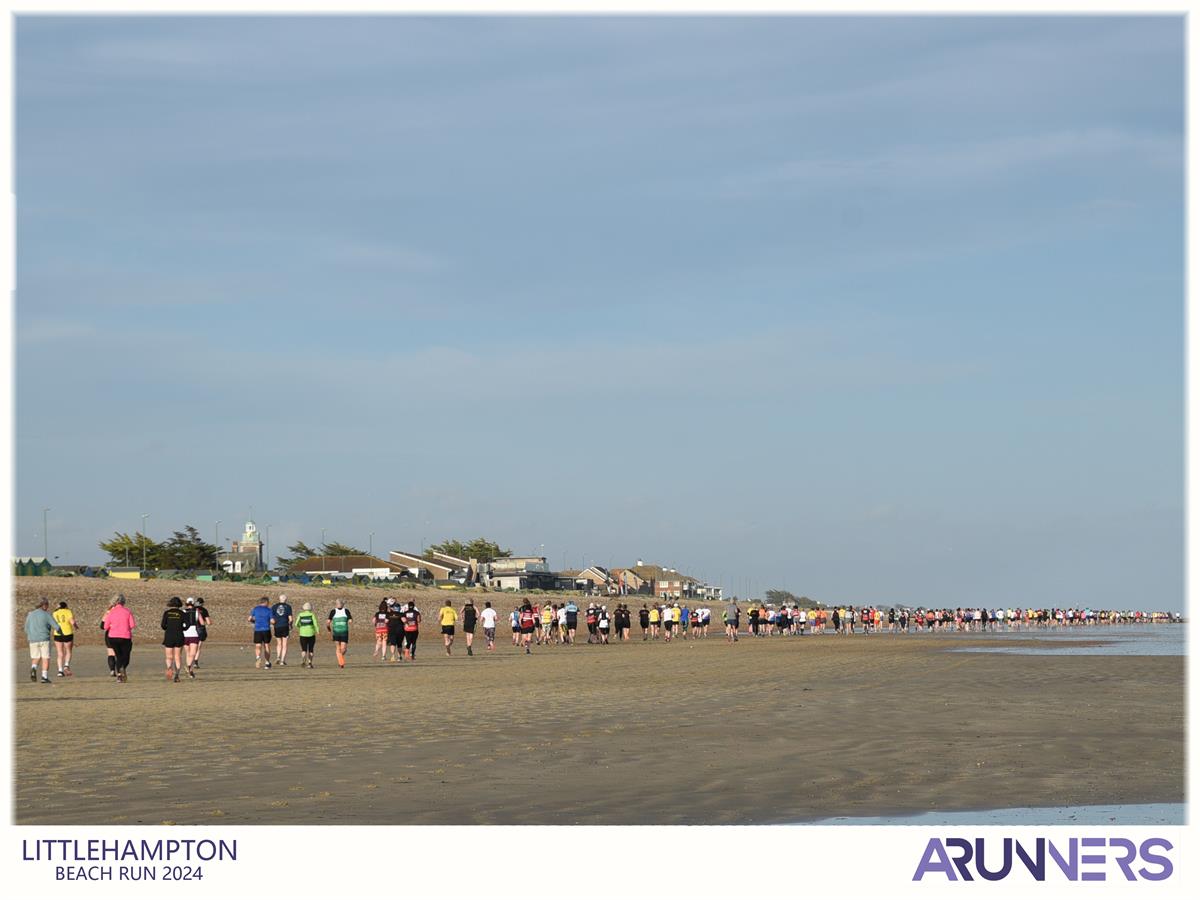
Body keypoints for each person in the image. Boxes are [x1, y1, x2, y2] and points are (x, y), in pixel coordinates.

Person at [102, 595, 136, 682]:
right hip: (125, 636)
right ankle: (122, 668)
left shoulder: (111, 612)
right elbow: (132, 625)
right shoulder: (127, 611)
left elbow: (105, 626)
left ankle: (119, 675)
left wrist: (114, 625)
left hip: (113, 637)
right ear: (124, 602)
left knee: (118, 656)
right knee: (126, 656)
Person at [24, 598, 56, 684]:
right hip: (44, 639)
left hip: (33, 639)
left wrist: (31, 635)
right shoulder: (46, 614)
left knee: (36, 657)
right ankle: (44, 677)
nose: (48, 607)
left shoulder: (30, 615)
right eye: (47, 605)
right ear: (44, 605)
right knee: (45, 657)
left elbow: (26, 629)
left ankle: (33, 668)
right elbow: (56, 626)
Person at [161, 597, 187, 682]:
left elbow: (163, 625)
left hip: (169, 635)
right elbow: (187, 624)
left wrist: (168, 628)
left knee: (169, 656)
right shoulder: (182, 613)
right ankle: (177, 674)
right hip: (179, 635)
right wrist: (183, 629)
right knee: (177, 656)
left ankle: (169, 668)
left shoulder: (167, 613)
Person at [52, 600, 75, 677]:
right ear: (65, 606)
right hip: (67, 633)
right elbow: (72, 622)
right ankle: (66, 665)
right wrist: (75, 626)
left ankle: (60, 671)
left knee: (59, 653)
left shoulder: (55, 613)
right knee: (68, 650)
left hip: (57, 633)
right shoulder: (68, 611)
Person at [249, 597, 274, 669]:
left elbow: (249, 618)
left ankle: (258, 657)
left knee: (258, 645)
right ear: (266, 602)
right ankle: (267, 662)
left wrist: (254, 621)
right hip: (266, 629)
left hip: (257, 629)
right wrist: (273, 622)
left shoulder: (255, 609)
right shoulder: (269, 610)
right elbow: (272, 621)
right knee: (266, 645)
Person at [295, 602, 320, 668]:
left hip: (302, 634)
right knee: (311, 649)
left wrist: (301, 627)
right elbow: (315, 624)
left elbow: (296, 624)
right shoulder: (312, 614)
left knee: (304, 649)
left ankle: (303, 660)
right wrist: (317, 630)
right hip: (311, 633)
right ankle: (310, 663)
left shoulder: (300, 614)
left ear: (304, 608)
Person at [328, 600, 352, 668]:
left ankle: (340, 659)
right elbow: (328, 621)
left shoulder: (346, 611)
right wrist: (328, 628)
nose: (339, 605)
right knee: (338, 648)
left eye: (340, 603)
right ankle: (341, 663)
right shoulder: (333, 611)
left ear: (343, 604)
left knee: (343, 649)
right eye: (338, 604)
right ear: (336, 605)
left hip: (344, 632)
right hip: (336, 632)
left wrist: (350, 620)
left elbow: (350, 619)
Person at [181, 598, 201, 677]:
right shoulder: (197, 612)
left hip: (185, 634)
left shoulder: (183, 612)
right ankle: (189, 668)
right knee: (192, 654)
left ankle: (189, 669)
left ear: (186, 603)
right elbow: (202, 622)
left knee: (188, 653)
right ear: (193, 604)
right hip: (193, 633)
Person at [272, 594, 294, 666]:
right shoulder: (288, 607)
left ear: (279, 599)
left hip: (277, 626)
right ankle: (282, 660)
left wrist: (273, 624)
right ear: (286, 599)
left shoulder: (274, 606)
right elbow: (290, 619)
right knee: (284, 644)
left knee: (278, 643)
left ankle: (278, 657)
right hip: (285, 626)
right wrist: (290, 625)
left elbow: (272, 618)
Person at [192, 597, 211, 667]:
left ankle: (190, 661)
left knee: (191, 646)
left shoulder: (192, 609)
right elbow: (209, 622)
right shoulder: (204, 610)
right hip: (200, 629)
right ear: (202, 604)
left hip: (191, 629)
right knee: (198, 646)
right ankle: (195, 662)